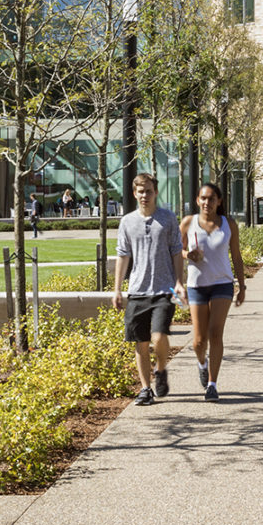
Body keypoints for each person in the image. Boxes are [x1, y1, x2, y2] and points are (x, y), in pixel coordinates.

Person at [115, 173, 186, 405]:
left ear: (155, 192)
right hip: (137, 291)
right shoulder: (127, 222)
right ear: (135, 194)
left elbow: (177, 250)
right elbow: (123, 255)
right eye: (140, 191)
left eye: (148, 191)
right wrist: (117, 289)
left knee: (159, 336)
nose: (144, 195)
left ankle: (161, 369)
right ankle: (146, 389)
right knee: (141, 343)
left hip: (164, 290)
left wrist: (179, 282)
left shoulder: (168, 219)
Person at [181, 182, 247, 401]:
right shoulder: (189, 223)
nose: (206, 202)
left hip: (222, 283)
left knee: (215, 333)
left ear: (219, 201)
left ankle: (212, 384)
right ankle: (202, 364)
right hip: (197, 285)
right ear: (197, 200)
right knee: (199, 341)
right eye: (203, 198)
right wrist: (187, 255)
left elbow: (236, 257)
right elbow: (174, 250)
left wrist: (242, 286)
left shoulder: (228, 224)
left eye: (211, 198)